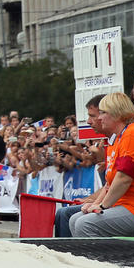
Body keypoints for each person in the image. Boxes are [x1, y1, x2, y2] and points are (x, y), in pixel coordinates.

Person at [69, 93, 134, 238]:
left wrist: (102, 206)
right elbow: (110, 184)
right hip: (130, 205)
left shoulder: (133, 134)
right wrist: (94, 205)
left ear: (117, 114)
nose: (99, 117)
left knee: (84, 224)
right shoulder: (121, 137)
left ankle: (102, 261)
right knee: (74, 219)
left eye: (103, 112)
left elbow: (124, 178)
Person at [55, 94, 108, 237]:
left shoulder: (121, 140)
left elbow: (118, 185)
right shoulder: (111, 142)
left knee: (72, 218)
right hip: (111, 200)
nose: (88, 122)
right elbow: (109, 186)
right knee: (62, 213)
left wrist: (95, 203)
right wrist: (88, 200)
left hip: (126, 206)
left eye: (92, 116)